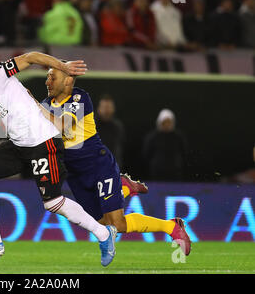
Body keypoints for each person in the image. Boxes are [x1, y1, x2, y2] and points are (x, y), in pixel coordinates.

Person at [0, 52, 118, 267]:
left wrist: (62, 66)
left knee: (53, 202)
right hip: (19, 144)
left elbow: (30, 57)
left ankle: (104, 233)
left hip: (44, 142)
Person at [33, 66, 191, 256]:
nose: (47, 82)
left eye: (52, 77)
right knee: (103, 225)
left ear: (67, 81)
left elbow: (63, 126)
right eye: (47, 77)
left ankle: (172, 227)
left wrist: (33, 106)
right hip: (74, 174)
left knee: (117, 223)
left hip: (98, 164)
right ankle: (124, 188)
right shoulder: (45, 104)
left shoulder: (79, 98)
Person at [143, 108, 188, 181]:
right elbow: (147, 153)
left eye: (169, 122)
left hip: (175, 170)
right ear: (160, 122)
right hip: (157, 170)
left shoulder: (178, 137)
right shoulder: (152, 137)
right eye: (164, 122)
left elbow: (184, 152)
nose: (167, 124)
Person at [95, 94, 125, 168]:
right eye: (104, 107)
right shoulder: (91, 126)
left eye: (109, 107)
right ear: (99, 109)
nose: (106, 111)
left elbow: (120, 147)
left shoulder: (118, 126)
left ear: (113, 109)